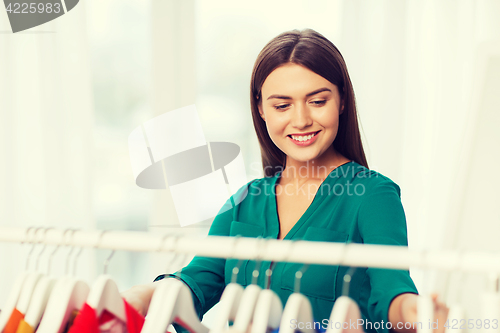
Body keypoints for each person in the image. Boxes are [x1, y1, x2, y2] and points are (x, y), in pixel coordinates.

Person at [121, 28, 449, 333]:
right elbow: (197, 279)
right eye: (282, 105)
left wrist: (414, 313)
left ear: (342, 101)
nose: (302, 120)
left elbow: (391, 290)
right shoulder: (245, 201)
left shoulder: (373, 196)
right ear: (261, 109)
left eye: (318, 101)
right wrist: (143, 295)